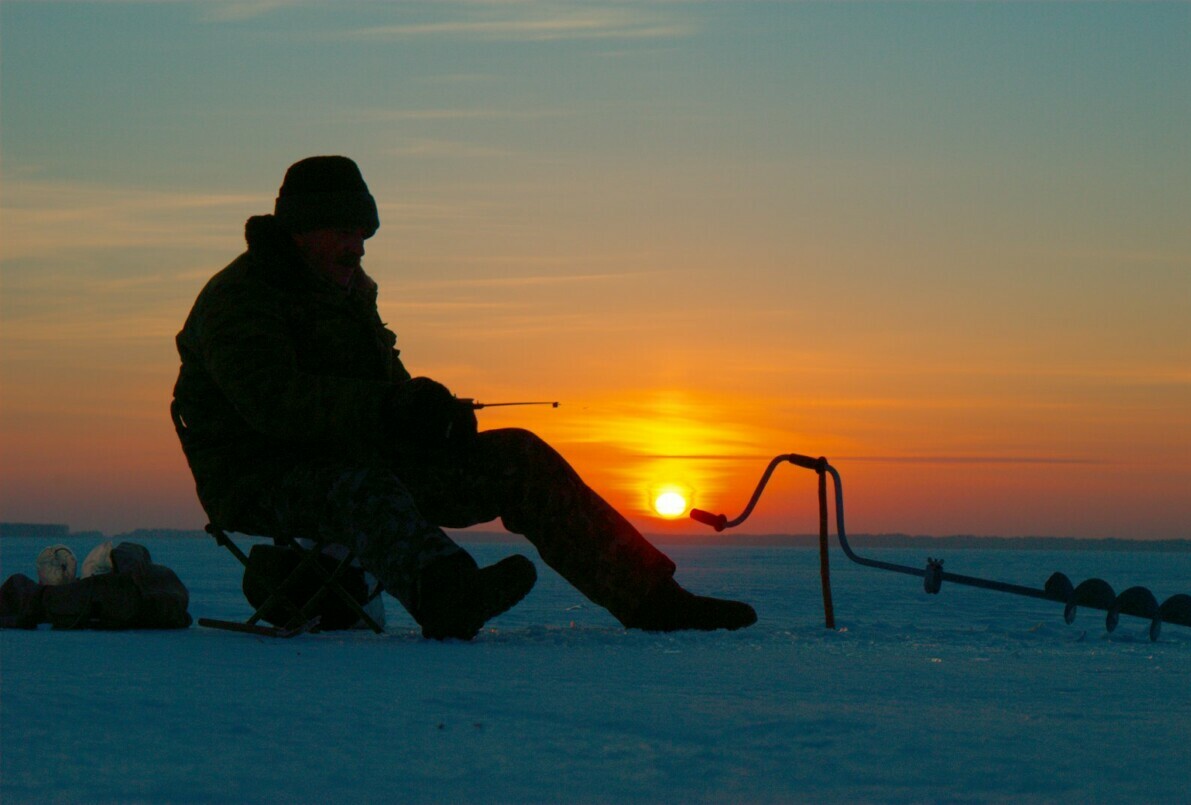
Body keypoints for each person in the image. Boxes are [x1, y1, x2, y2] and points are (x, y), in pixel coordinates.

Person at [171, 155, 756, 640]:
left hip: (359, 457)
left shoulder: (346, 293)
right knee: (357, 484)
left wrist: (432, 416)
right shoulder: (239, 300)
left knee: (517, 456)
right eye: (344, 233)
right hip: (260, 477)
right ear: (301, 232)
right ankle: (449, 594)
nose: (358, 250)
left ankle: (653, 599)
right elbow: (274, 403)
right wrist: (391, 410)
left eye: (363, 235)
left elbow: (385, 392)